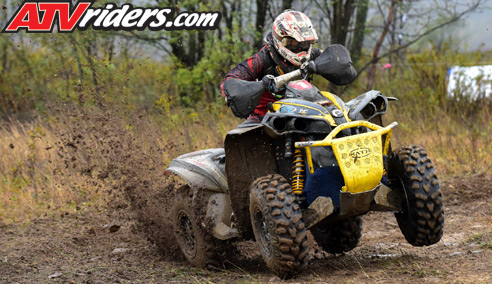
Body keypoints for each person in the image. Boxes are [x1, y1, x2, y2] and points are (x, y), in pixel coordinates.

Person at [220, 10, 321, 125]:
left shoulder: (313, 54)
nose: (301, 48)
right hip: (265, 115)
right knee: (242, 137)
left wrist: (319, 66)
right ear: (280, 40)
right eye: (293, 43)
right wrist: (261, 85)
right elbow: (229, 81)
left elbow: (335, 58)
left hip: (305, 108)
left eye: (305, 44)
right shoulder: (262, 59)